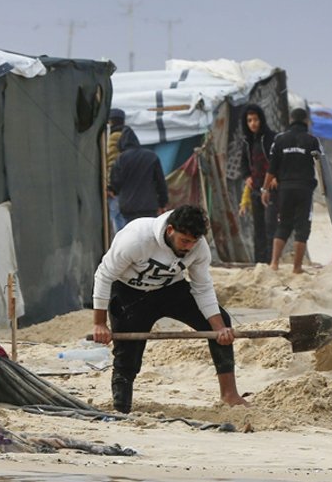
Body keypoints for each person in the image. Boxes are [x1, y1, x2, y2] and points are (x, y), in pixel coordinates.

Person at [91, 205, 247, 411]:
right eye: (184, 241)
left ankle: (229, 394)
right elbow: (104, 275)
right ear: (170, 230)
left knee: (221, 322)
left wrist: (219, 329)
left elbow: (202, 288)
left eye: (194, 242)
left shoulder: (198, 248)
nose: (188, 247)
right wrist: (100, 323)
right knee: (127, 354)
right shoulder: (136, 238)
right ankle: (122, 404)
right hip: (130, 293)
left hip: (170, 289)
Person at [265, 108, 321, 273]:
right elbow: (320, 166)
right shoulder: (312, 140)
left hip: (285, 190)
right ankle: (297, 268)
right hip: (304, 190)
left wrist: (264, 188)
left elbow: (272, 168)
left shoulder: (280, 140)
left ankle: (274, 263)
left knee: (283, 225)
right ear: (306, 121)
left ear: (291, 119)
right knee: (302, 228)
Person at [237, 104, 276, 263]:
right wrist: (247, 176)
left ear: (261, 119)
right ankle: (259, 262)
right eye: (249, 120)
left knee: (270, 227)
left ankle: (270, 261)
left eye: (255, 119)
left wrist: (275, 176)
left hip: (271, 189)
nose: (253, 123)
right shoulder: (247, 141)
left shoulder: (271, 138)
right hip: (255, 189)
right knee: (258, 228)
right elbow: (243, 163)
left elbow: (277, 160)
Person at [109, 128, 168, 222]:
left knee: (130, 234)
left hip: (128, 208)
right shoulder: (152, 156)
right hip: (149, 207)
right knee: (149, 234)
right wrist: (162, 203)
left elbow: (115, 183)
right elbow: (161, 183)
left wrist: (112, 190)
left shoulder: (121, 159)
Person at [105, 108, 131, 234]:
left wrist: (110, 185)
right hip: (128, 184)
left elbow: (112, 162)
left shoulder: (114, 137)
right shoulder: (128, 136)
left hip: (117, 186)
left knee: (116, 218)